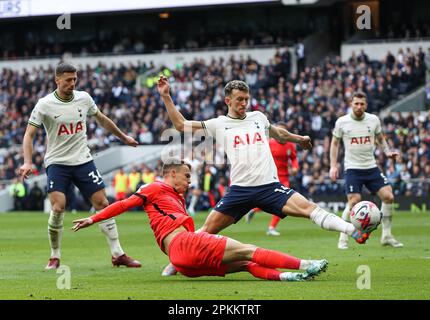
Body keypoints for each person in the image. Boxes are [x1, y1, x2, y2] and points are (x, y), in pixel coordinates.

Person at [157, 77, 377, 276]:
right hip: (240, 190)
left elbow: (278, 133)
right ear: (228, 101)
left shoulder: (258, 117)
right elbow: (180, 125)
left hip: (269, 187)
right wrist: (166, 96)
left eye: (246, 99)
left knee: (309, 208)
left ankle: (353, 231)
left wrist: (298, 139)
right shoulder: (218, 124)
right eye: (239, 99)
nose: (244, 103)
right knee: (206, 231)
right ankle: (175, 263)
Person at [72, 161, 328, 282]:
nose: (190, 181)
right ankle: (307, 263)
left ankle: (291, 277)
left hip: (184, 263)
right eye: (186, 176)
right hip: (185, 247)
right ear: (171, 174)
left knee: (247, 264)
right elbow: (123, 204)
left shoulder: (177, 199)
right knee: (250, 250)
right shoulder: (153, 188)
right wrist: (94, 218)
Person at [19, 62, 141, 269]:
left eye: (75, 79)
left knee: (103, 204)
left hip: (83, 161)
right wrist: (28, 161)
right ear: (57, 80)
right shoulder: (44, 104)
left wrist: (124, 137)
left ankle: (118, 253)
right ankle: (55, 255)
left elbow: (102, 120)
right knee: (58, 207)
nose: (72, 83)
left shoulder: (84, 98)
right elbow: (29, 134)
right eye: (68, 80)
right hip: (57, 163)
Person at [329, 91, 403, 249]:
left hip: (371, 167)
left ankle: (387, 236)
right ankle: (343, 238)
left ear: (366, 105)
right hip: (353, 169)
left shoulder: (373, 120)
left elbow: (380, 138)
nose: (359, 106)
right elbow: (334, 143)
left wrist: (387, 152)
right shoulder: (342, 122)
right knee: (353, 202)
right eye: (356, 103)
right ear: (351, 104)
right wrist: (333, 165)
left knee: (388, 196)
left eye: (362, 104)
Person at [245, 121, 299, 236]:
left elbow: (294, 158)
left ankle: (271, 227)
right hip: (270, 177)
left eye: (283, 132)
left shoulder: (290, 145)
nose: (280, 134)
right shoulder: (268, 144)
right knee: (270, 201)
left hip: (284, 177)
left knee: (282, 202)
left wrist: (295, 167)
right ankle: (255, 210)